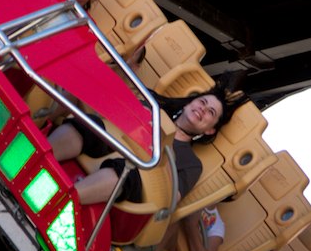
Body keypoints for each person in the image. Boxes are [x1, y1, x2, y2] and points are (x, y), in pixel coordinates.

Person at [49, 85, 247, 206]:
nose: (203, 109)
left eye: (211, 112)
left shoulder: (192, 163)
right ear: (188, 103)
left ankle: (60, 201)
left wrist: (164, 148)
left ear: (209, 130)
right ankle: (32, 159)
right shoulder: (152, 110)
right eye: (202, 102)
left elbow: (172, 197)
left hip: (134, 176)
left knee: (126, 172)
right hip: (112, 146)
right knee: (91, 124)